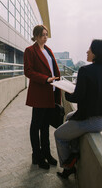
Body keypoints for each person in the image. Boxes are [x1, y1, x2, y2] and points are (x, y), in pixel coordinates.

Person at [54, 39, 102, 179]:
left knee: (59, 135)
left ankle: (67, 166)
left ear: (97, 53)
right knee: (70, 117)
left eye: (90, 49)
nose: (87, 51)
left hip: (93, 120)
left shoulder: (85, 70)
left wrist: (67, 92)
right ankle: (75, 151)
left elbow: (77, 97)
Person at [24, 25, 61, 170]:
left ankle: (47, 153)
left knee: (45, 126)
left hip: (50, 92)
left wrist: (57, 81)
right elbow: (28, 71)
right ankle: (37, 156)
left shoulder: (48, 50)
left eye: (46, 34)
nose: (46, 37)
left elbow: (53, 69)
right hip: (40, 92)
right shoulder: (30, 50)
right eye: (43, 35)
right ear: (36, 36)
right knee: (36, 126)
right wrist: (45, 79)